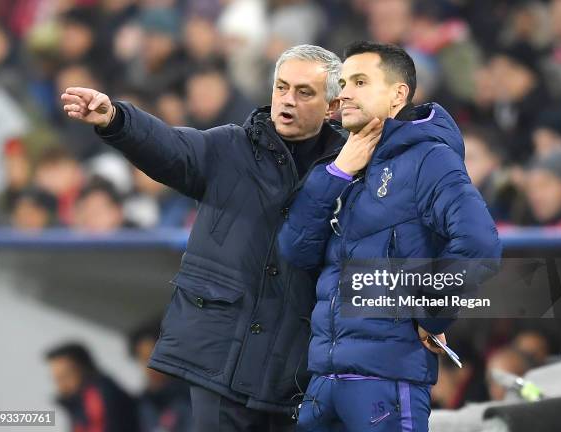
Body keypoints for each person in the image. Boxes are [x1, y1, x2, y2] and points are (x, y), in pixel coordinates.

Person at [60, 44, 348, 431]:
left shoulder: (352, 169)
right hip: (218, 361)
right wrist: (115, 118)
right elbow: (168, 146)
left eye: (304, 92)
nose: (287, 100)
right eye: (281, 87)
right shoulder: (229, 146)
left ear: (332, 107)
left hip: (296, 372)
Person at [278, 41, 502, 432]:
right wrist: (336, 175)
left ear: (398, 94)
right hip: (321, 380)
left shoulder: (430, 158)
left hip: (385, 381)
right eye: (343, 82)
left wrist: (431, 314)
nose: (344, 92)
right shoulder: (339, 162)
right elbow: (294, 250)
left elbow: (479, 246)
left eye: (361, 82)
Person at [45, 342, 139, 432]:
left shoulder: (97, 397)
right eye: (57, 379)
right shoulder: (78, 404)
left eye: (66, 376)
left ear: (84, 369)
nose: (62, 385)